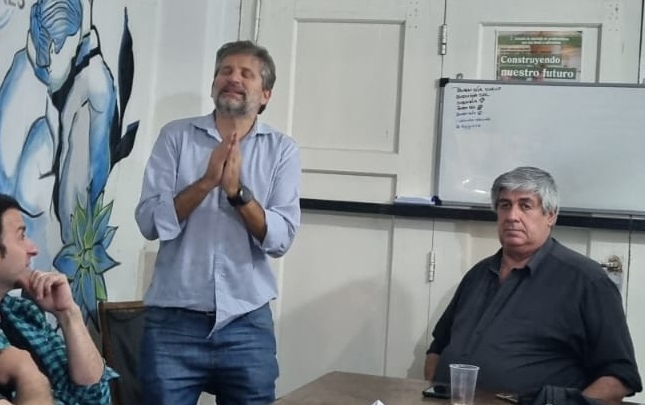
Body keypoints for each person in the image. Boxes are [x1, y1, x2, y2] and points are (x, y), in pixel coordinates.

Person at [135, 40, 301, 404]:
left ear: (266, 94)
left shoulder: (282, 150)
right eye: (225, 71)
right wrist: (206, 182)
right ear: (214, 84)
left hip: (246, 323)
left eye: (246, 73)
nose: (233, 78)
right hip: (173, 324)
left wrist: (237, 192)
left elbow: (280, 238)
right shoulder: (176, 137)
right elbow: (148, 221)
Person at [424, 167, 641, 404]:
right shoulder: (478, 275)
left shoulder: (586, 281)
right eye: (505, 205)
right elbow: (438, 346)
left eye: (525, 206)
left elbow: (620, 377)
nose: (512, 216)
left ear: (551, 216)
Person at [0, 193, 117, 404]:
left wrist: (68, 313)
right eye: (21, 236)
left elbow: (95, 397)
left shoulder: (24, 313)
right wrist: (26, 372)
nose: (33, 249)